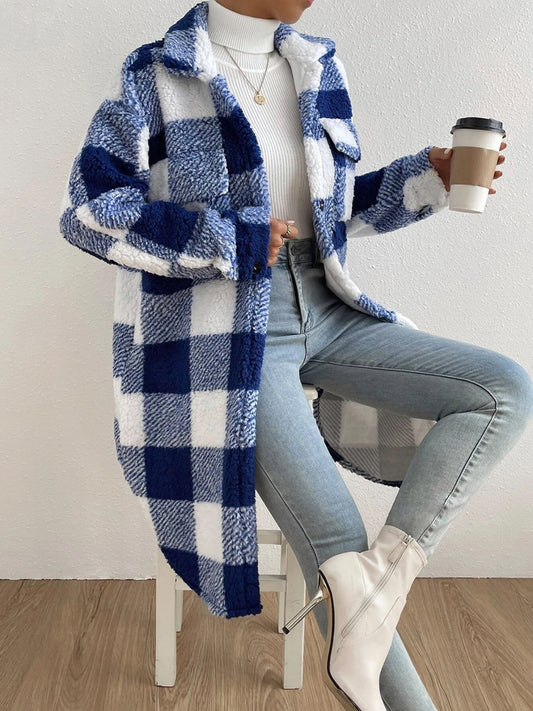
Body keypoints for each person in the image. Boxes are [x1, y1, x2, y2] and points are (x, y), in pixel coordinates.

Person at [59, 1, 533, 709]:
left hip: (329, 306)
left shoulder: (317, 65)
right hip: (228, 334)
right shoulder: (155, 74)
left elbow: (329, 212)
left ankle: (381, 576)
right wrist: (231, 239)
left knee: (501, 390)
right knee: (336, 540)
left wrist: (427, 179)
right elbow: (90, 212)